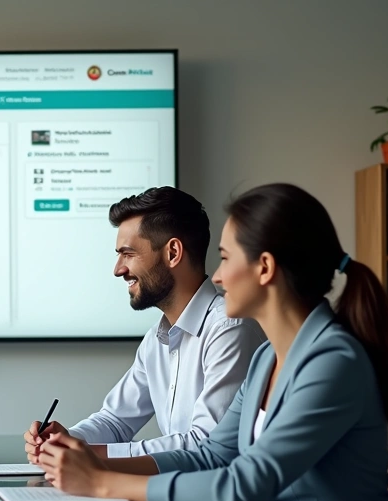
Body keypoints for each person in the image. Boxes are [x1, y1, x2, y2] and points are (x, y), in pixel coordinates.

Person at [37, 183, 388, 501]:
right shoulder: (268, 357)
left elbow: (239, 485)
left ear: (264, 268)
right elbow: (212, 454)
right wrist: (91, 463)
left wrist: (100, 482)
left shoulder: (333, 362)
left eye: (225, 258)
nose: (217, 277)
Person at [25, 187, 265, 459]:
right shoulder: (156, 340)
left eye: (128, 254)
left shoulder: (229, 329)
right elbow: (116, 421)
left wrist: (88, 454)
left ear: (173, 253)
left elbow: (205, 444)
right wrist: (65, 440)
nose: (118, 269)